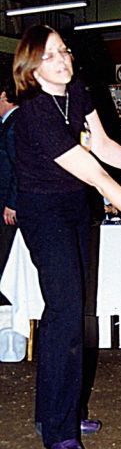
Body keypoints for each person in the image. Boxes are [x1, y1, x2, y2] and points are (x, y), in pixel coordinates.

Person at [13, 25, 121, 449]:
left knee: (71, 311)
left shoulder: (77, 92)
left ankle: (55, 412)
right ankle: (59, 429)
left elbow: (102, 145)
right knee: (65, 312)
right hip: (42, 213)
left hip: (74, 207)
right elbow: (97, 174)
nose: (62, 60)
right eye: (50, 55)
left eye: (64, 51)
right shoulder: (34, 112)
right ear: (31, 67)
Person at [0, 79, 19, 294]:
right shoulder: (7, 124)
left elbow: (18, 168)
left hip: (8, 204)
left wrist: (12, 203)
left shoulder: (14, 126)